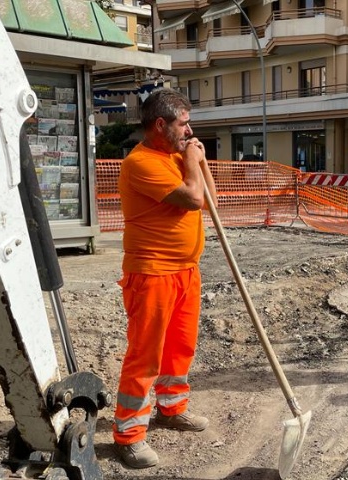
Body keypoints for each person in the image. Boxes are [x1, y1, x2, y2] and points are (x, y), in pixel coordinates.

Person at [113, 88, 217, 468]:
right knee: (146, 355)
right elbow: (192, 199)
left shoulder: (178, 157)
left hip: (186, 271)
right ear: (161, 124)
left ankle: (172, 409)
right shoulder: (140, 163)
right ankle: (129, 434)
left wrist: (200, 161)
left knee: (180, 347)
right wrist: (191, 160)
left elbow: (211, 201)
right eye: (183, 124)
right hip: (153, 274)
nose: (189, 131)